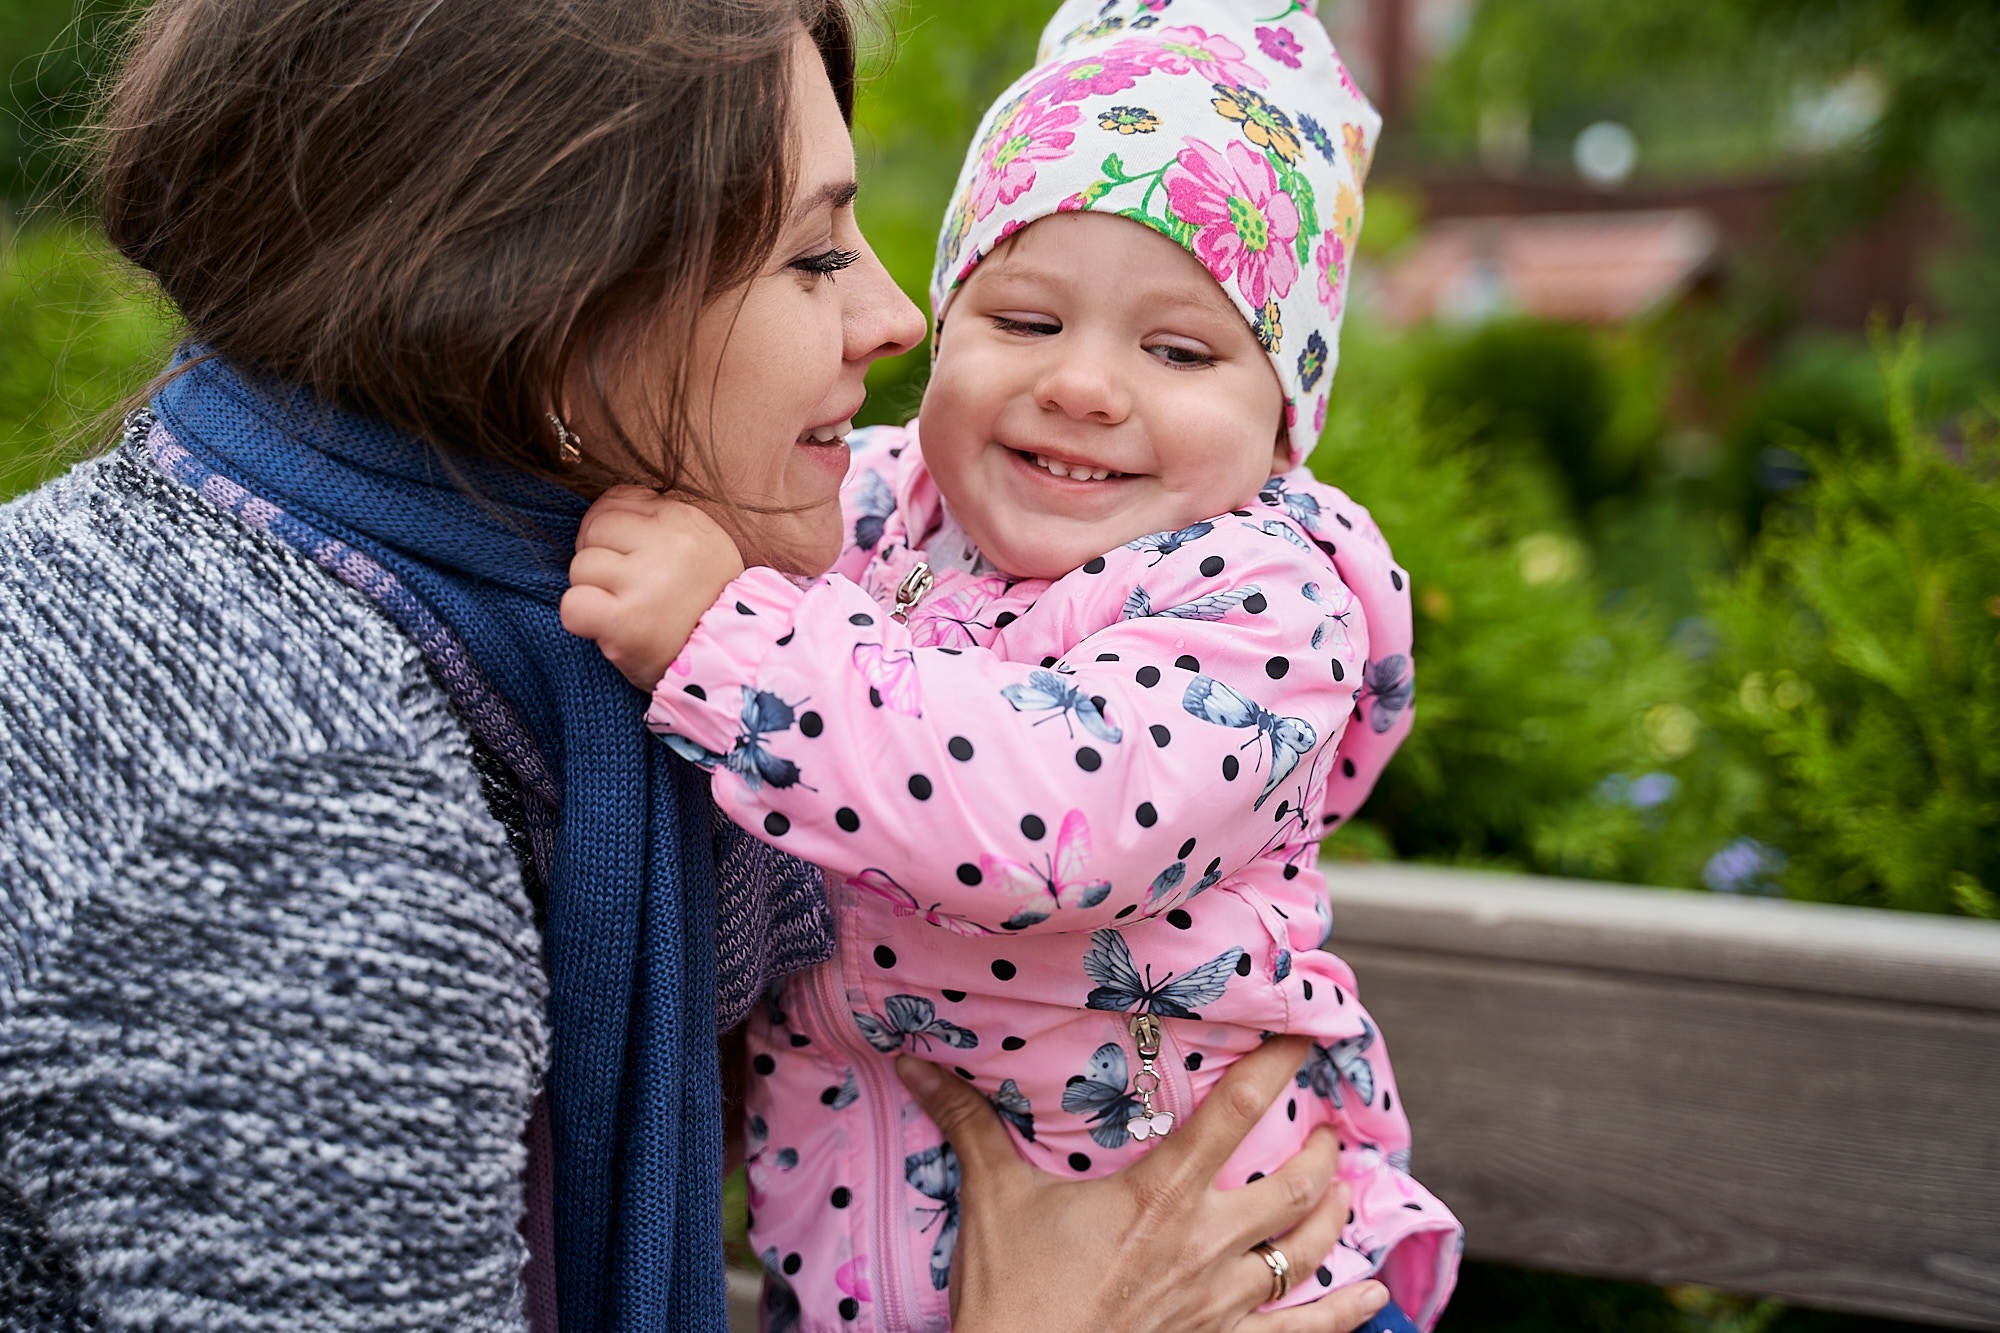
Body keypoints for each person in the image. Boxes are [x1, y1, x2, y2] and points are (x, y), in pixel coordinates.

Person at [0, 0, 1397, 1329]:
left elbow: (1054, 793)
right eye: (813, 253)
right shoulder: (301, 842)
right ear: (541, 301)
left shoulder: (406, 617)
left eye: (1177, 346)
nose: (900, 320)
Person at [562, 1, 1459, 1329]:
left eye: (1178, 349)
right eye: (1026, 319)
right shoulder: (875, 515)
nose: (1084, 385)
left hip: (1229, 1289)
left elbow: (1050, 815)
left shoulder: (1265, 615)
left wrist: (723, 640)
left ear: (1285, 427)